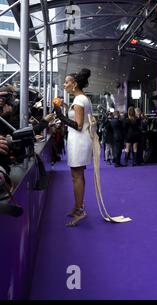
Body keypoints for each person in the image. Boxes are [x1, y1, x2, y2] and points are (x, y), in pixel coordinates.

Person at [53, 68, 93, 227]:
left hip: (79, 140)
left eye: (67, 82)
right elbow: (78, 115)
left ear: (74, 84)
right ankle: (78, 207)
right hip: (79, 140)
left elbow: (78, 125)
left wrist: (59, 114)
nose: (64, 84)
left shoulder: (79, 100)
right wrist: (65, 106)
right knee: (77, 175)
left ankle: (80, 210)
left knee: (77, 176)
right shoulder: (82, 99)